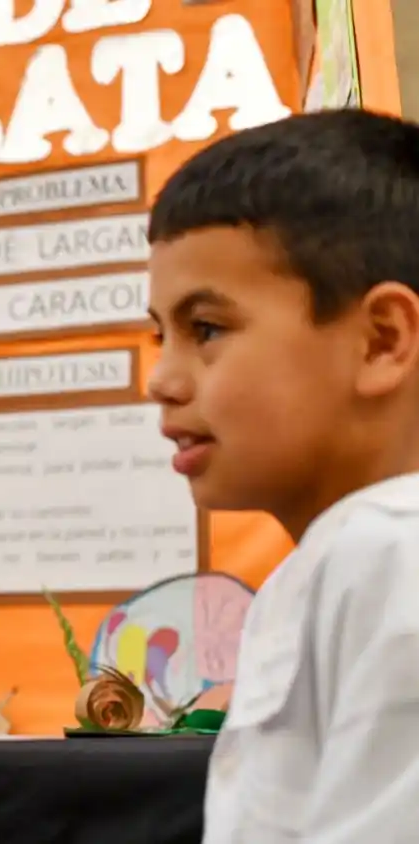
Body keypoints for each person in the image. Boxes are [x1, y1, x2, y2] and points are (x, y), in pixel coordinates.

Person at [145, 109, 419, 843]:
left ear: (381, 340)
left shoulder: (388, 552)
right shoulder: (339, 562)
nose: (161, 379)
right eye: (157, 333)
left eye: (206, 329)